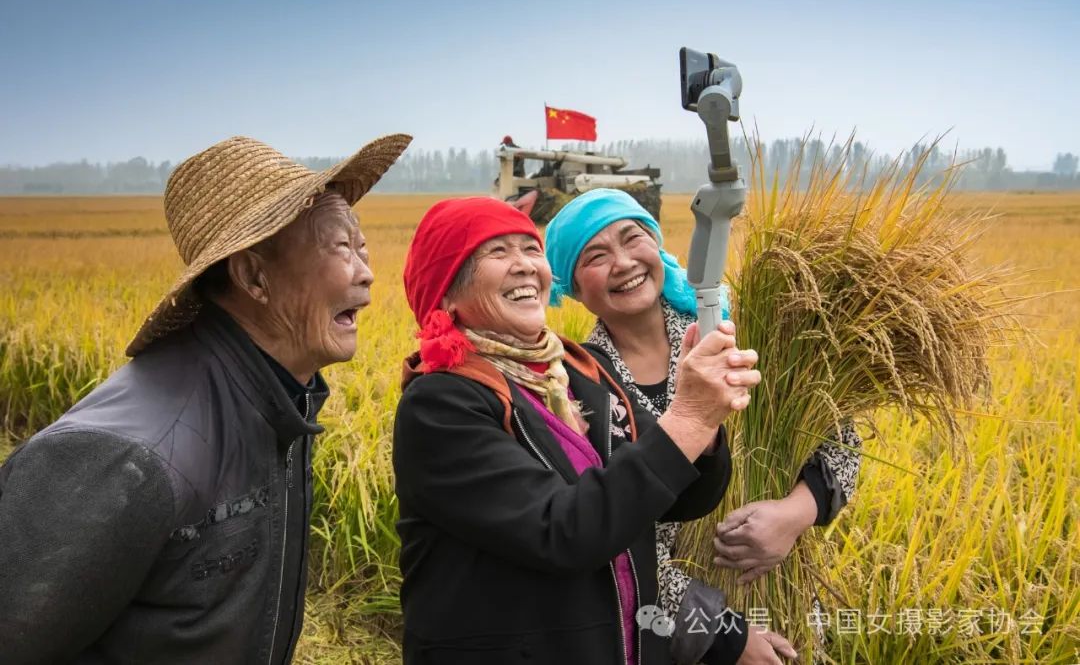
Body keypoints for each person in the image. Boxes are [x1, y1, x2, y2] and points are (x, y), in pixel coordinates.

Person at [0, 133, 411, 664]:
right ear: (253, 277)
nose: (366, 272)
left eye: (362, 246)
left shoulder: (275, 405)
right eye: (340, 248)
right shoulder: (125, 459)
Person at [393, 197, 782, 664]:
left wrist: (705, 424)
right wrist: (689, 418)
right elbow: (562, 530)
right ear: (446, 295)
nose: (524, 265)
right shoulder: (441, 405)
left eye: (530, 249)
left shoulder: (579, 373)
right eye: (496, 252)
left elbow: (682, 499)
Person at [545, 188, 863, 664]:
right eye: (595, 256)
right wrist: (726, 636)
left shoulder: (738, 331)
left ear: (657, 243)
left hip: (781, 590)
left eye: (633, 238)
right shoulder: (577, 386)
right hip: (669, 630)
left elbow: (841, 440)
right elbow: (609, 539)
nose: (624, 262)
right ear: (572, 286)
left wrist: (793, 515)